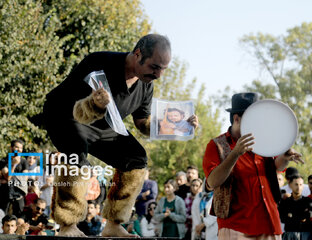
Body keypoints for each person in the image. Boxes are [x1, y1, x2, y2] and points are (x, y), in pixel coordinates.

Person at [42, 34, 198, 237]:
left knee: (136, 158)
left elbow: (142, 123)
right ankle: (67, 225)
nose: (158, 75)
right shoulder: (99, 63)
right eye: (154, 67)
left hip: (103, 126)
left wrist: (177, 126)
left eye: (163, 69)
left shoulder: (145, 85)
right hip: (64, 115)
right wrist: (95, 104)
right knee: (76, 153)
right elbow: (77, 111)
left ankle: (113, 224)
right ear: (138, 54)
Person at [203, 92, 303, 240]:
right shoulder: (217, 145)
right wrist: (235, 153)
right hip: (235, 225)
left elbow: (276, 167)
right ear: (237, 119)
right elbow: (212, 182)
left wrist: (285, 157)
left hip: (270, 223)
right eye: (254, 119)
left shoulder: (264, 140)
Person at [279, 175, 312, 240]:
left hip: (305, 234)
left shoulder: (307, 201)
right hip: (289, 234)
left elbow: (307, 216)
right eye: (296, 184)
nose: (298, 187)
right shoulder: (285, 202)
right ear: (291, 185)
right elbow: (283, 219)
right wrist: (299, 216)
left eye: (301, 185)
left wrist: (291, 216)